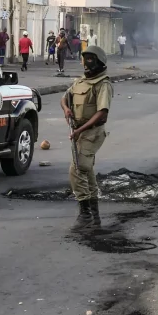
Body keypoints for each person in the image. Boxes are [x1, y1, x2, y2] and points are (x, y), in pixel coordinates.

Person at [60, 45, 113, 229]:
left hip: (92, 132)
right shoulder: (80, 81)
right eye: (85, 59)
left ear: (99, 62)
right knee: (87, 171)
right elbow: (64, 98)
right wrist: (67, 109)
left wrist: (81, 129)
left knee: (77, 169)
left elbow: (102, 113)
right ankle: (95, 216)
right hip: (79, 131)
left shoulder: (103, 84)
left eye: (91, 60)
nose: (87, 64)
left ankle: (85, 214)